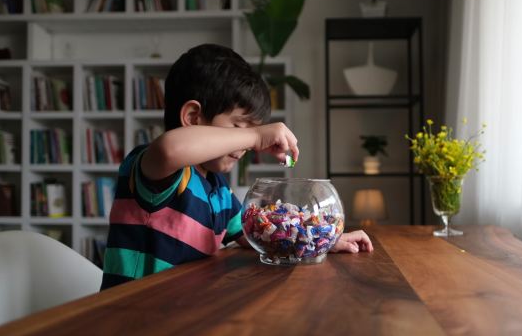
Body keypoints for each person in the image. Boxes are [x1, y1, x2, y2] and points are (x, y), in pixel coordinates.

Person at [100, 44, 373, 290]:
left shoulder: (218, 191)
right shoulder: (161, 171)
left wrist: (318, 240)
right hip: (132, 320)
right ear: (193, 118)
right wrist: (256, 136)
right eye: (239, 128)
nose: (245, 145)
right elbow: (170, 149)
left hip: (182, 317)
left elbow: (259, 235)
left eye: (250, 133)